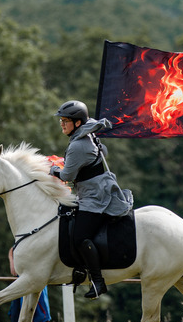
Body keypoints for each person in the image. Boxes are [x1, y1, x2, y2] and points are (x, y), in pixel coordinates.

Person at [49, 100, 133, 299]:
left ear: (78, 123)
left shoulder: (79, 145)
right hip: (92, 190)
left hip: (95, 197)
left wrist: (51, 169)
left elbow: (67, 176)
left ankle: (98, 282)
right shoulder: (86, 135)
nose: (62, 124)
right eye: (61, 120)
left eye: (65, 121)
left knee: (80, 237)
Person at [7, 248, 52, 322]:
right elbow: (12, 251)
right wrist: (12, 260)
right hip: (21, 281)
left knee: (42, 313)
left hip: (36, 280)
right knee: (16, 312)